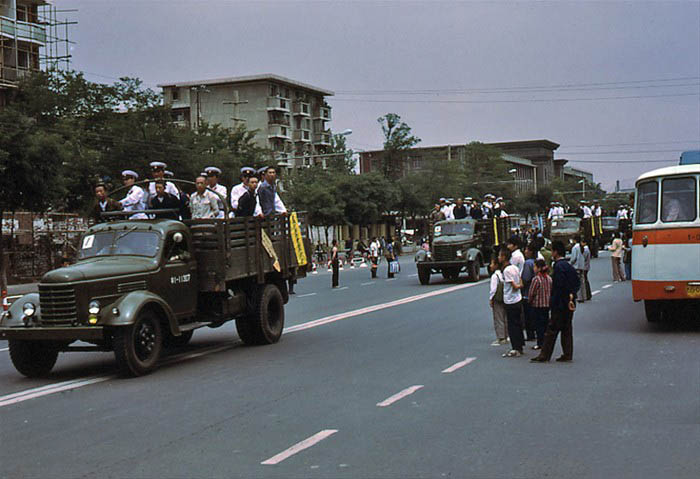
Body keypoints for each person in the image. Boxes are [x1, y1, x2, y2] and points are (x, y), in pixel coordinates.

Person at [531, 240, 580, 363]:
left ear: (556, 252)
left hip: (559, 304)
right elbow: (577, 283)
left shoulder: (558, 267)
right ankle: (567, 354)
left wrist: (554, 303)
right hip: (570, 303)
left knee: (551, 330)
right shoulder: (569, 266)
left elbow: (558, 287)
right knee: (567, 329)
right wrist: (571, 295)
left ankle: (544, 355)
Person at [500, 247, 524, 358]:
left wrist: (517, 287)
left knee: (512, 325)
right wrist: (519, 287)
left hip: (510, 301)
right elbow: (520, 282)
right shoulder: (515, 268)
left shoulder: (507, 270)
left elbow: (514, 286)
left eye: (500, 256)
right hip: (518, 299)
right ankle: (520, 345)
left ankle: (515, 348)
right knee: (518, 324)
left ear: (504, 257)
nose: (499, 258)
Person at [527, 259, 551, 350]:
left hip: (537, 305)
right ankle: (545, 342)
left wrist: (529, 301)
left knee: (538, 325)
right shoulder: (549, 278)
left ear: (539, 268)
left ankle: (540, 343)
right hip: (546, 305)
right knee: (545, 325)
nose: (534, 268)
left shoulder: (536, 279)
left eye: (535, 266)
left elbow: (531, 293)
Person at [488, 256, 508, 346]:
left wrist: (491, 299)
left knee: (498, 317)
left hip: (497, 298)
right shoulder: (503, 273)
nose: (490, 265)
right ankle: (506, 335)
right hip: (505, 297)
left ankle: (501, 337)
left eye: (492, 263)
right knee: (505, 317)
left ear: (496, 265)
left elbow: (493, 289)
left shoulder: (494, 276)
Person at [521, 243, 537, 341]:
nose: (525, 251)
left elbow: (526, 278)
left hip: (527, 293)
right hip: (535, 292)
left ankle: (530, 334)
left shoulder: (528, 263)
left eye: (527, 249)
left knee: (528, 316)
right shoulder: (536, 261)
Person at [569, 236, 586, 303]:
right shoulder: (581, 247)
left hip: (576, 267)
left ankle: (579, 297)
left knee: (577, 283)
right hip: (582, 266)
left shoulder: (575, 248)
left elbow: (573, 258)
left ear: (575, 240)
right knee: (582, 282)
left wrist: (570, 263)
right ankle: (584, 296)